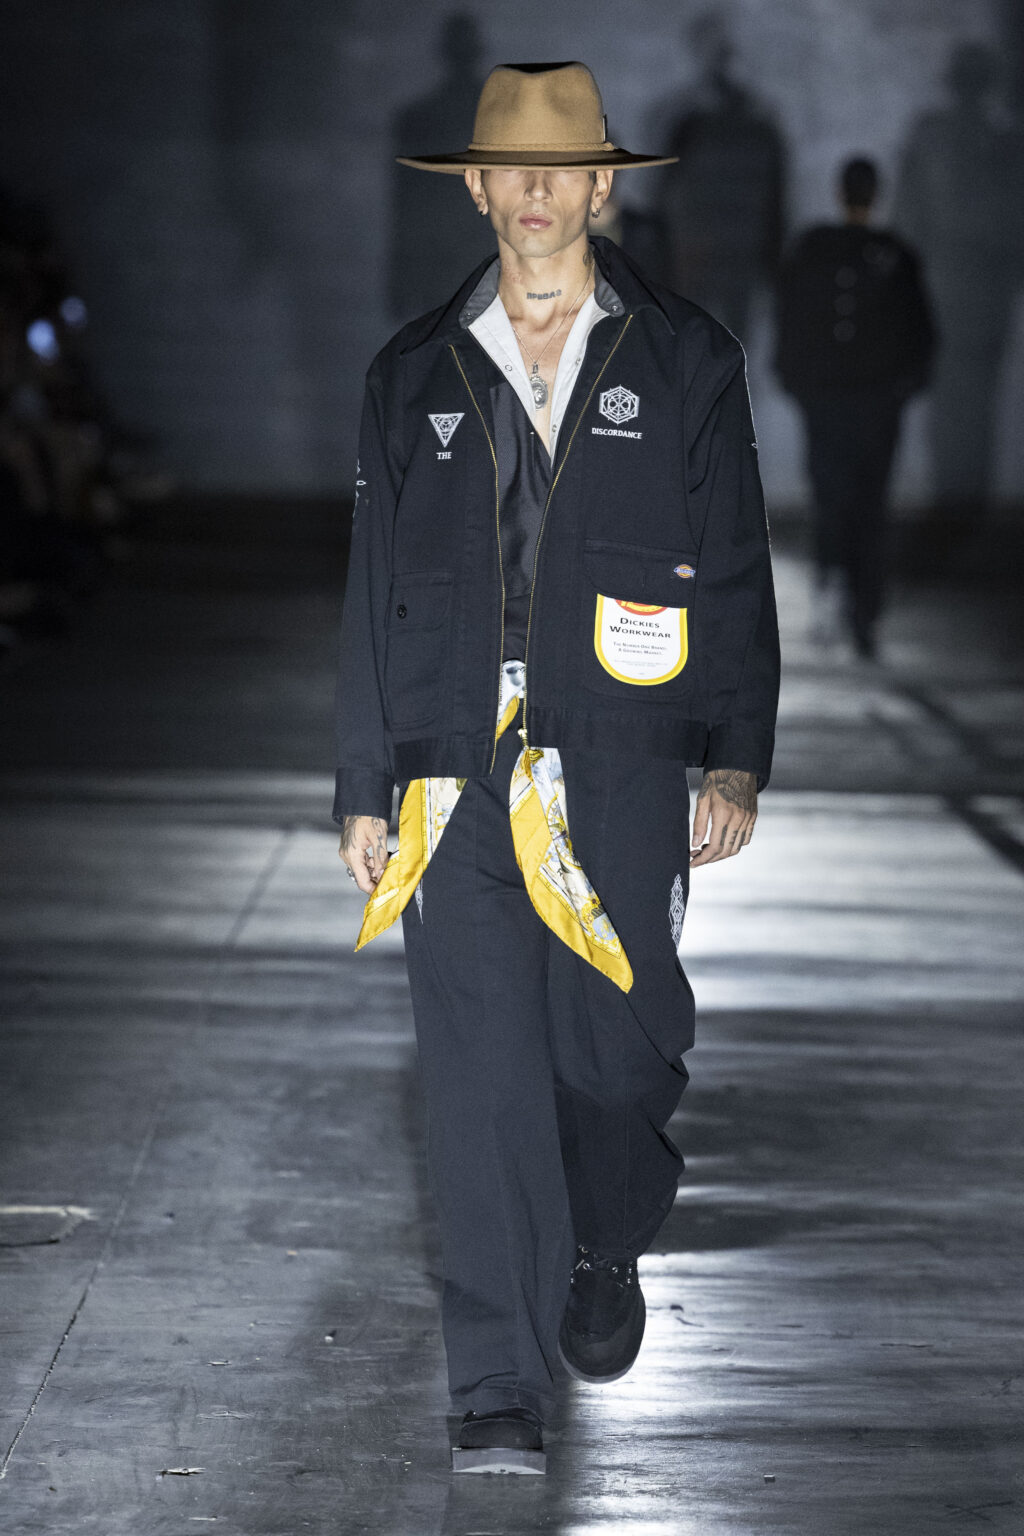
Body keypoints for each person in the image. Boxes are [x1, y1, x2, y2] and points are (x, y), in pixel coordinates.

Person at [334, 62, 779, 1474]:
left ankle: (605, 1234)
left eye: (562, 170)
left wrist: (734, 758)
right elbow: (370, 586)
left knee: (616, 1049)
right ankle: (495, 1386)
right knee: (479, 1073)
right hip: (453, 767)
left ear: (600, 189)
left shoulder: (686, 358)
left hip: (621, 759)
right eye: (509, 170)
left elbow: (740, 569)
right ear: (475, 187)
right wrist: (362, 780)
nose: (534, 193)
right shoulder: (413, 371)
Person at [776, 156, 935, 657]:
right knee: (856, 504)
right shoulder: (869, 253)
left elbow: (919, 333)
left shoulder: (847, 251)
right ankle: (852, 609)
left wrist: (801, 382)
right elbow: (793, 320)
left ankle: (849, 606)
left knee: (845, 503)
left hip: (854, 402)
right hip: (853, 402)